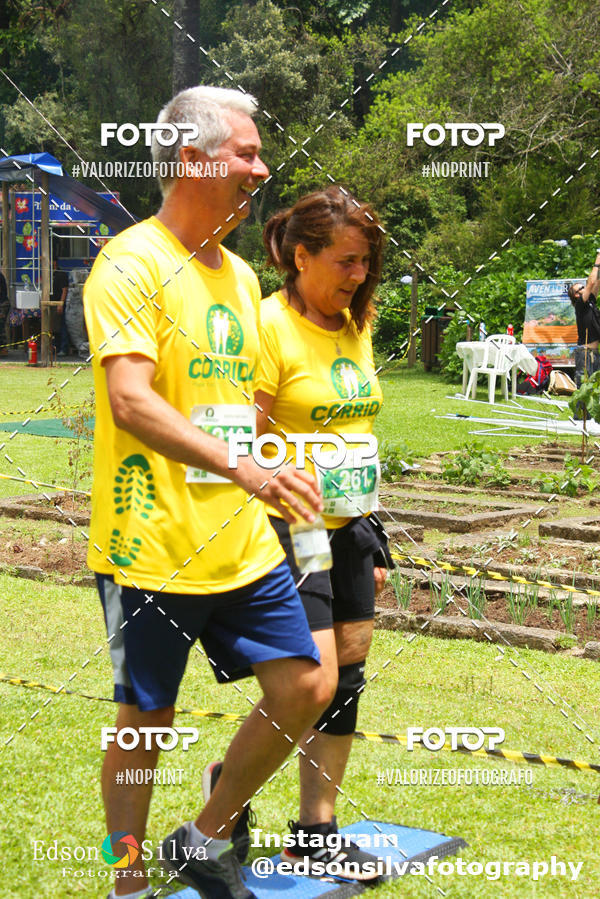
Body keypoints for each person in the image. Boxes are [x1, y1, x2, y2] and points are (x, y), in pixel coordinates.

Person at [83, 86, 335, 899]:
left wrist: (288, 459)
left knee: (305, 684)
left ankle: (201, 836)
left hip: (240, 537)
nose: (261, 169)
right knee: (144, 725)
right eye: (247, 153)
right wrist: (249, 469)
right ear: (193, 159)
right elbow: (132, 399)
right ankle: (127, 885)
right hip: (149, 541)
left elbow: (233, 407)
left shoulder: (235, 280)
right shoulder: (130, 261)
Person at [208, 187, 391, 880]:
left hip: (351, 525)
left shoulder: (354, 323)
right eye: (346, 262)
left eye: (365, 262)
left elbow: (359, 428)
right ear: (300, 255)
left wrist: (374, 532)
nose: (356, 275)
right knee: (310, 681)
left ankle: (316, 831)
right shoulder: (265, 326)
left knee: (347, 673)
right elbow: (240, 442)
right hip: (295, 527)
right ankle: (224, 797)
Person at [568, 250, 600, 385]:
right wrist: (598, 256)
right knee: (585, 391)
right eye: (580, 288)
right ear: (576, 295)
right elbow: (591, 282)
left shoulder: (590, 303)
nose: (584, 288)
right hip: (585, 354)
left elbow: (597, 282)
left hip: (594, 353)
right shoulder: (580, 304)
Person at [51, 257, 70, 355]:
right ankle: (55, 348)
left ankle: (63, 348)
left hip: (59, 303)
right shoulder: (50, 274)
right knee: (54, 327)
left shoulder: (61, 274)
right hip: (51, 303)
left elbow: (65, 289)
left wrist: (61, 304)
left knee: (62, 326)